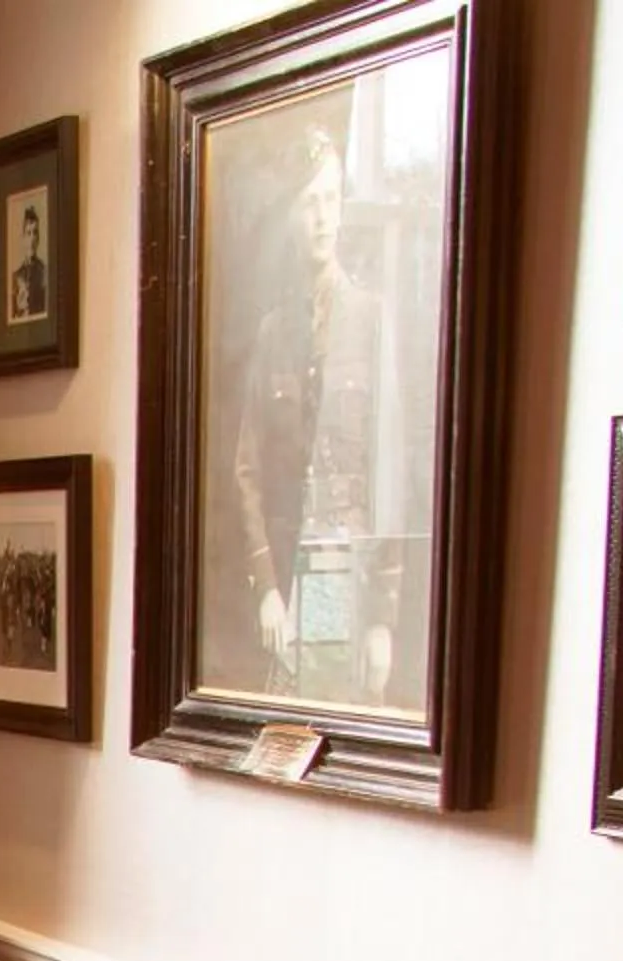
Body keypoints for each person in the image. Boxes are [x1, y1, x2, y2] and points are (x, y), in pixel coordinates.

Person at [230, 128, 403, 706]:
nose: (322, 218)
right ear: (290, 219)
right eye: (309, 204)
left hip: (353, 582)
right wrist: (267, 589)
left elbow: (392, 474)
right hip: (291, 590)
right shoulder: (275, 334)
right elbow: (248, 469)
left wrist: (383, 617)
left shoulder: (373, 323)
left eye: (331, 201)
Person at [10, 203, 50, 323]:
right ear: (23, 237)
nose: (32, 238)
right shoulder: (16, 276)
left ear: (38, 238)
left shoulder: (45, 272)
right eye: (28, 233)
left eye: (35, 233)